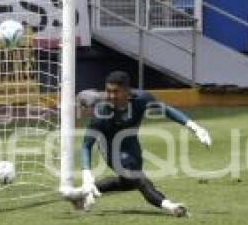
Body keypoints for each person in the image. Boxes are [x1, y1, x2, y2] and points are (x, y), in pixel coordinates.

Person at [64, 71, 212, 216]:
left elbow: (166, 110)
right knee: (138, 178)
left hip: (131, 145)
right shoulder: (102, 111)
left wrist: (194, 127)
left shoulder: (141, 99)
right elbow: (86, 145)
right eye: (108, 91)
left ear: (127, 91)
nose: (111, 96)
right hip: (110, 149)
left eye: (116, 92)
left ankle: (81, 193)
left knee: (128, 182)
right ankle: (171, 207)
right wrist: (86, 174)